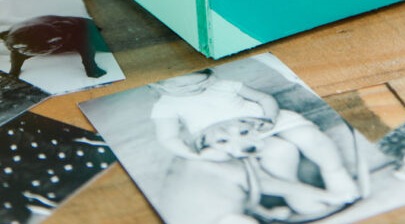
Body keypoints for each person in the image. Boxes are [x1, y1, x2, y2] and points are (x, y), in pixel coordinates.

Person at [150, 69, 358, 203]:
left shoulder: (224, 85)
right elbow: (168, 138)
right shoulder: (165, 106)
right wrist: (198, 155)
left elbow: (264, 98)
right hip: (232, 139)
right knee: (280, 153)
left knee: (309, 137)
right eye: (185, 87)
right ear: (157, 86)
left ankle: (336, 174)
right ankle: (298, 195)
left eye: (202, 82)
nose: (196, 89)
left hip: (264, 121)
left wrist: (271, 116)